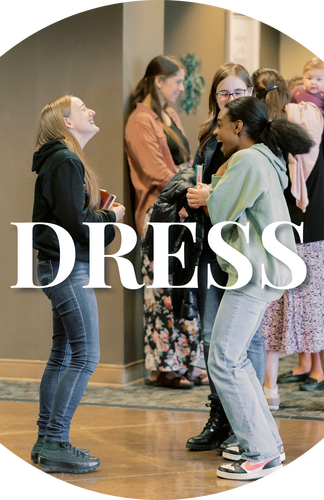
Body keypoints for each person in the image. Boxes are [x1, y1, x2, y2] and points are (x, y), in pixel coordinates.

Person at [202, 96, 314, 481]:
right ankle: (268, 445)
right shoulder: (267, 158)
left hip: (255, 271)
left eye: (220, 124)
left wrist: (209, 189)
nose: (216, 132)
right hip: (265, 270)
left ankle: (262, 454)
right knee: (234, 359)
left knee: (223, 359)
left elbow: (220, 211)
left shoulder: (248, 160)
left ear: (238, 126)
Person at [29, 95, 126, 473]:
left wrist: (99, 217)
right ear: (67, 122)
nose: (92, 111)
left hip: (57, 265)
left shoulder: (60, 161)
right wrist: (110, 216)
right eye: (83, 108)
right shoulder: (66, 161)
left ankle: (45, 441)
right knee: (86, 356)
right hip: (67, 267)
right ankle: (55, 441)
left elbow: (71, 218)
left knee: (64, 354)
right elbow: (77, 225)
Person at [252, 68, 324, 413]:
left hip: (276, 227)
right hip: (318, 225)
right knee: (323, 308)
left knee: (271, 309)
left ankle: (269, 391)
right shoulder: (313, 118)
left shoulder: (259, 131)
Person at [184, 63, 267, 453]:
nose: (230, 98)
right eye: (223, 92)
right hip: (210, 246)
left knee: (246, 341)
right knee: (211, 336)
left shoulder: (259, 143)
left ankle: (248, 424)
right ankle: (221, 416)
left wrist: (210, 197)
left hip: (245, 250)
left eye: (237, 92)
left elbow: (243, 196)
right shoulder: (209, 136)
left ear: (250, 94)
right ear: (214, 97)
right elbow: (201, 179)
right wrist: (191, 194)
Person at [125, 55, 203, 389]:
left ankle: (186, 363)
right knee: (161, 292)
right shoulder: (139, 120)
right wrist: (187, 186)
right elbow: (156, 171)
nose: (182, 88)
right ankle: (164, 368)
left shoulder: (170, 114)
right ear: (158, 81)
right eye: (177, 81)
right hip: (158, 215)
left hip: (182, 211)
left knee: (183, 287)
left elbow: (186, 160)